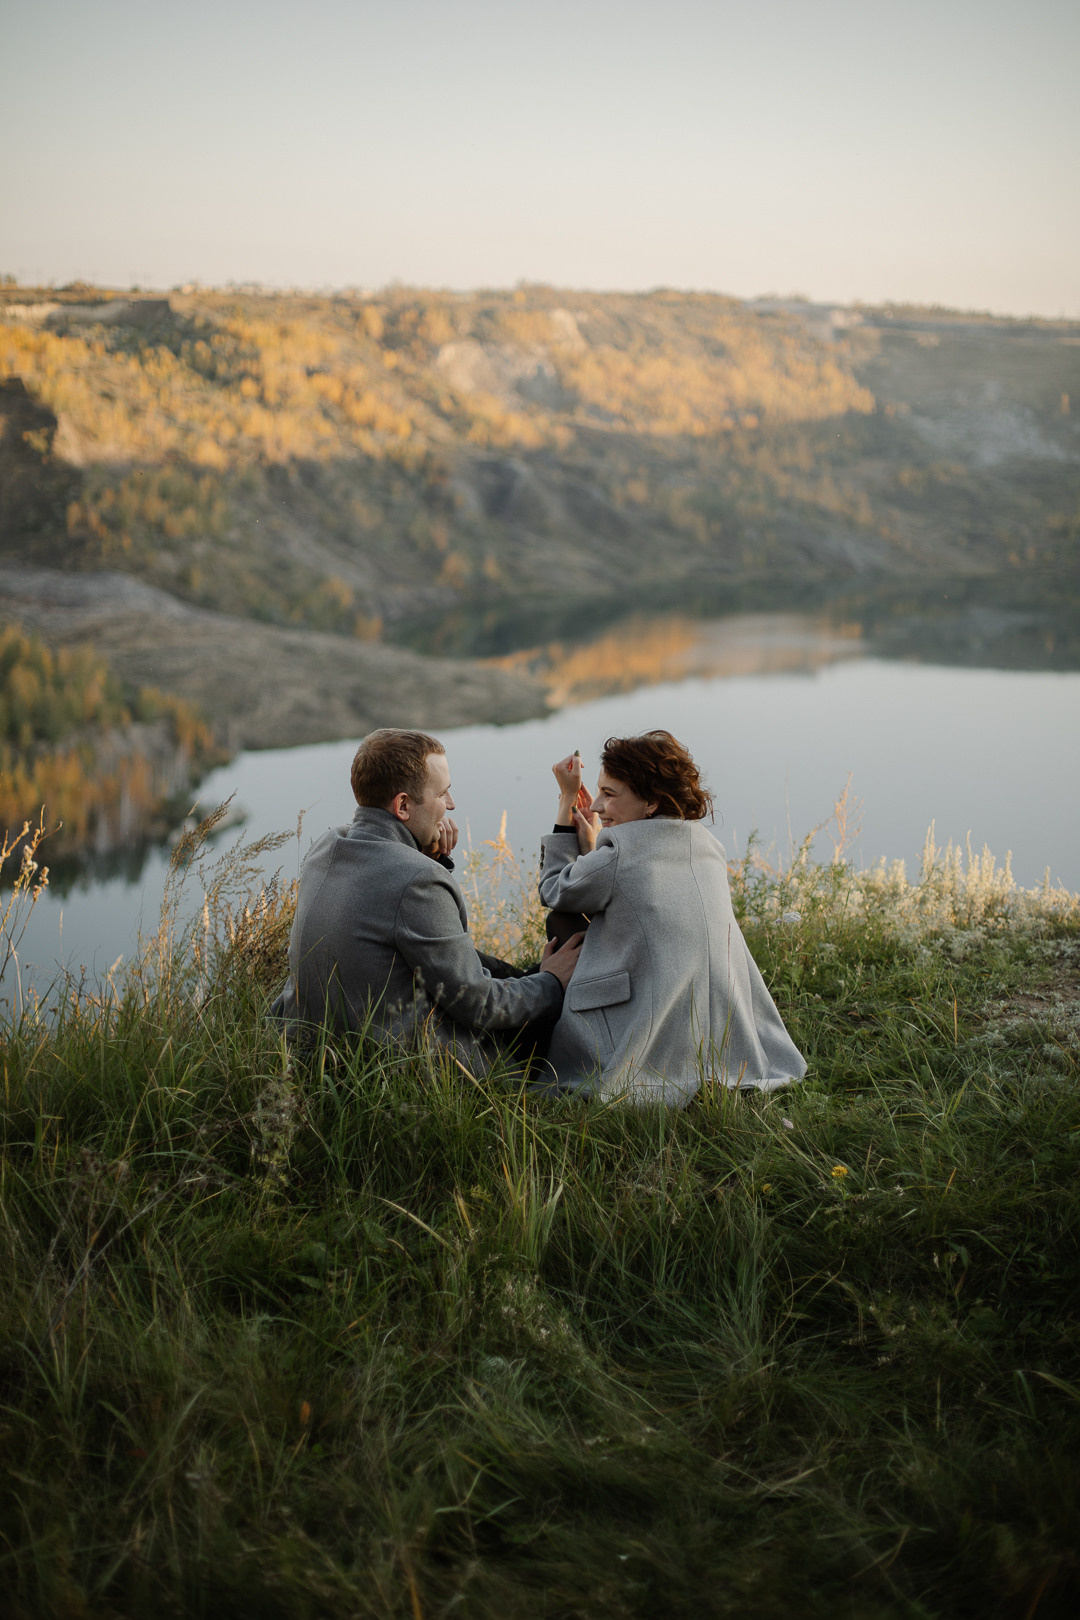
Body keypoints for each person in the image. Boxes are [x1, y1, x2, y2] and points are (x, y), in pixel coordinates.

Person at [273, 728, 582, 1068]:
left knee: (511, 973)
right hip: (394, 1069)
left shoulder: (327, 846)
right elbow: (478, 1004)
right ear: (403, 805)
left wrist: (423, 855)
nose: (451, 804)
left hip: (315, 1052)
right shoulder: (417, 880)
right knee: (557, 1015)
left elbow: (401, 920)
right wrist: (551, 983)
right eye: (442, 793)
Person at [536, 731, 807, 1105]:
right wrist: (595, 850)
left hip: (648, 1021)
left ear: (651, 802)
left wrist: (568, 800)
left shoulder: (619, 852)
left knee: (562, 920)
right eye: (597, 792)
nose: (596, 806)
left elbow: (554, 889)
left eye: (609, 794)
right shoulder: (708, 846)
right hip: (721, 1028)